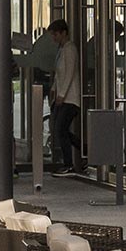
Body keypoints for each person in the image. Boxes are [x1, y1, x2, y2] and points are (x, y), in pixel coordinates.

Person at [47, 19, 83, 176]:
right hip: (62, 97)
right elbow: (59, 75)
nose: (53, 38)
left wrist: (61, 95)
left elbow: (69, 73)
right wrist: (54, 90)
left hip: (70, 98)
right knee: (60, 129)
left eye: (55, 34)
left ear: (64, 33)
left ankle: (70, 164)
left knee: (60, 129)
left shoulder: (70, 49)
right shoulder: (61, 50)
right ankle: (86, 151)